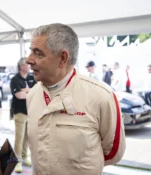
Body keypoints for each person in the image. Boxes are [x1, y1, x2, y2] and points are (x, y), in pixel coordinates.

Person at [26, 23, 126, 175]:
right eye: (30, 51)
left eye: (38, 53)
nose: (29, 60)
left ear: (63, 58)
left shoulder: (101, 96)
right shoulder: (32, 95)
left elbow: (114, 152)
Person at [10, 57, 35, 173]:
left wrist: (25, 90)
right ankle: (17, 161)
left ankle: (25, 157)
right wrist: (29, 91)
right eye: (27, 64)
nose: (30, 66)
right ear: (22, 67)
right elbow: (19, 95)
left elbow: (37, 91)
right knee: (19, 138)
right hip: (20, 112)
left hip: (30, 112)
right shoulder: (15, 79)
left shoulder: (31, 77)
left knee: (27, 137)